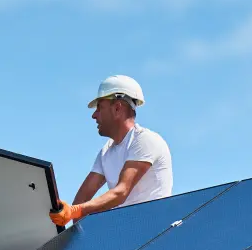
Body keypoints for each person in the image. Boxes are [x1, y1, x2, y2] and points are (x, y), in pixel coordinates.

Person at [50, 75, 172, 226]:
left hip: (154, 231)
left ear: (117, 108)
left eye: (99, 107)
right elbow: (81, 201)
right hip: (126, 231)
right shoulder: (106, 152)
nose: (94, 115)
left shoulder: (145, 140)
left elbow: (121, 192)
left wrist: (75, 211)